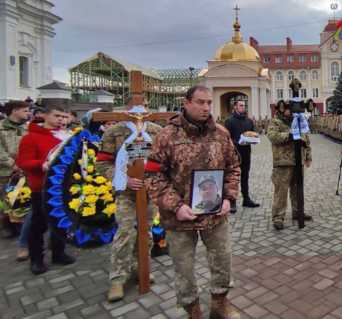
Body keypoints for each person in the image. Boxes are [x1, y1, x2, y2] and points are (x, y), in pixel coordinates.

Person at [145, 86, 241, 319]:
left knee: (222, 260)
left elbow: (233, 167)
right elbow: (152, 176)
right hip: (180, 217)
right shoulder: (167, 136)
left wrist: (228, 197)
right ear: (186, 103)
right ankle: (193, 310)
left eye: (209, 102)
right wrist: (176, 207)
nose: (206, 107)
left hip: (215, 214)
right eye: (200, 102)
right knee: (184, 268)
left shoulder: (221, 133)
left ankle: (220, 304)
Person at [96, 98, 162, 302]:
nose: (140, 108)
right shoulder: (114, 132)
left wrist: (153, 181)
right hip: (125, 193)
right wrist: (124, 180)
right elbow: (102, 163)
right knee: (125, 233)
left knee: (147, 232)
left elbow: (164, 161)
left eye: (144, 104)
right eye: (134, 105)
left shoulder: (156, 130)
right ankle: (117, 278)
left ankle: (140, 267)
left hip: (149, 191)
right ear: (126, 109)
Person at [15, 105, 75, 274]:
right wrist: (41, 164)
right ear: (46, 116)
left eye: (64, 117)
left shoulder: (66, 136)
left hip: (65, 185)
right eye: (57, 116)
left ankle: (58, 252)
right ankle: (36, 258)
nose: (62, 120)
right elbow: (22, 162)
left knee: (61, 221)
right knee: (39, 224)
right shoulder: (32, 137)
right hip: (42, 187)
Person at [268, 103, 313, 230]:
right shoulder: (276, 121)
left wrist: (308, 157)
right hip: (283, 162)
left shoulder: (300, 121)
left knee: (298, 189)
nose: (294, 113)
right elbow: (273, 137)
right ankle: (278, 217)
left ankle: (298, 212)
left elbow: (307, 140)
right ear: (285, 110)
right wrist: (289, 135)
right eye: (292, 111)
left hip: (299, 161)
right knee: (281, 191)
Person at [0, 101, 29, 251]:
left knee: (22, 197)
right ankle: (7, 225)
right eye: (24, 110)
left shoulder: (27, 128)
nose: (27, 113)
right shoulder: (1, 129)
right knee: (5, 198)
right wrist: (13, 165)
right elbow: (1, 151)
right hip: (5, 171)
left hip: (24, 169)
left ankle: (20, 225)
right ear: (14, 111)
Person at [224, 99, 260, 213]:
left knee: (245, 176)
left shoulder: (249, 121)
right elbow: (227, 138)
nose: (243, 107)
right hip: (234, 153)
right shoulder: (229, 121)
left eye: (244, 105)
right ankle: (232, 201)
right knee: (233, 178)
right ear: (235, 107)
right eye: (240, 105)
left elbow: (252, 135)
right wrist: (238, 142)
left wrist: (254, 140)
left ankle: (246, 199)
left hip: (246, 152)